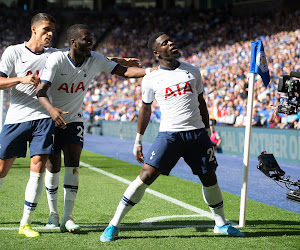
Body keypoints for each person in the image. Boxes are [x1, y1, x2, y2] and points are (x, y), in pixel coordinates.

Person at [100, 32, 244, 242]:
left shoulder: (193, 71)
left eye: (171, 40)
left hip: (197, 134)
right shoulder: (150, 78)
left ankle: (220, 224)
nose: (171, 43)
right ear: (157, 52)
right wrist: (138, 140)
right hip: (170, 135)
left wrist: (207, 130)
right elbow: (145, 110)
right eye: (165, 43)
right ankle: (114, 224)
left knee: (209, 177)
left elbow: (201, 102)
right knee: (146, 176)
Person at [36, 24, 150, 234]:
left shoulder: (95, 59)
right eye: (86, 39)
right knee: (52, 165)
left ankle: (67, 218)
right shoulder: (57, 60)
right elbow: (40, 91)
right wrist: (53, 111)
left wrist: (151, 71)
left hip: (75, 119)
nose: (90, 42)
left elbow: (123, 72)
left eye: (91, 39)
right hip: (51, 117)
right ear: (73, 42)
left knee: (73, 164)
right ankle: (53, 214)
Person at [0, 13, 56, 237]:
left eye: (52, 30)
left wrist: (118, 63)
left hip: (43, 118)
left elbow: (83, 56)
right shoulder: (13, 52)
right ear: (34, 29)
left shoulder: (54, 55)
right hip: (16, 119)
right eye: (46, 29)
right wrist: (20, 79)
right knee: (2, 169)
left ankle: (25, 223)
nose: (50, 34)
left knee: (38, 166)